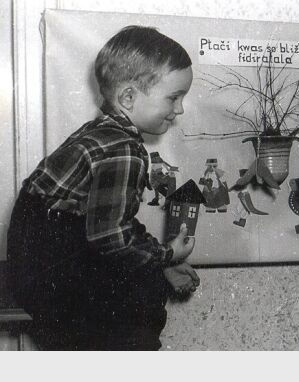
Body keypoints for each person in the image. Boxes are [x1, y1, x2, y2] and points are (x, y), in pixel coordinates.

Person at [6, 26, 200, 350]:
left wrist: (158, 264)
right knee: (139, 316)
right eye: (173, 97)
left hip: (39, 266)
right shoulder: (124, 149)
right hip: (56, 272)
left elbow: (112, 224)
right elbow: (111, 238)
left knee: (135, 295)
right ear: (128, 97)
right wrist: (166, 254)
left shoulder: (99, 132)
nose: (179, 109)